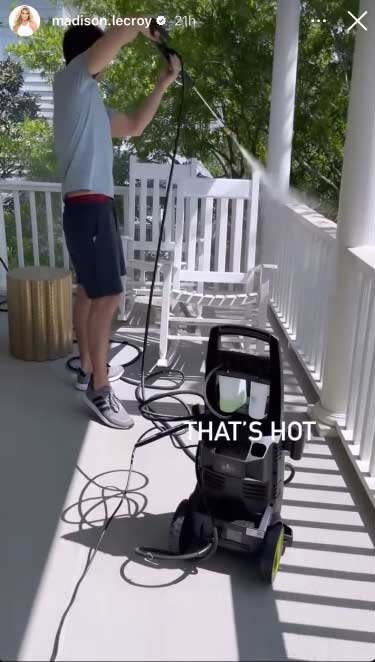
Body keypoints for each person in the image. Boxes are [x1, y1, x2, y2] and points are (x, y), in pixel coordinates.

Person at [53, 20, 181, 429]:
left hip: (92, 207)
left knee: (91, 293)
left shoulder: (86, 99)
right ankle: (100, 390)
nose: (106, 61)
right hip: (88, 206)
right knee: (108, 297)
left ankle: (89, 368)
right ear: (88, 54)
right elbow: (115, 40)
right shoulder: (72, 78)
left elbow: (133, 127)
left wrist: (163, 82)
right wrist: (142, 26)